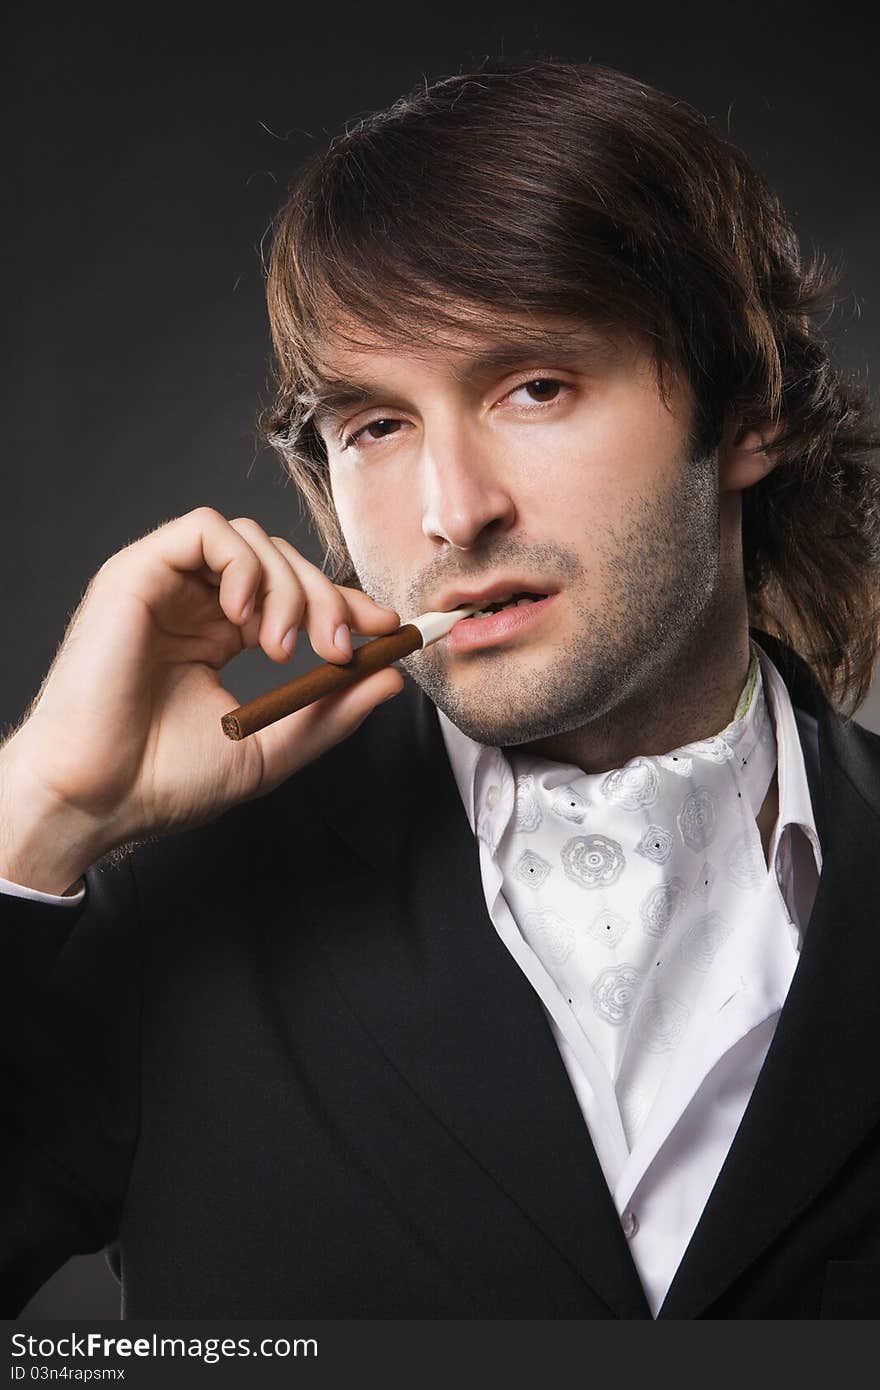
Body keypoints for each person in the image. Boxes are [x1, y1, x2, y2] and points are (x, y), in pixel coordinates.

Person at [2, 58, 879, 1320]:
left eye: (535, 387)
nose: (450, 513)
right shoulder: (169, 906)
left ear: (749, 412)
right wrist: (35, 810)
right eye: (373, 425)